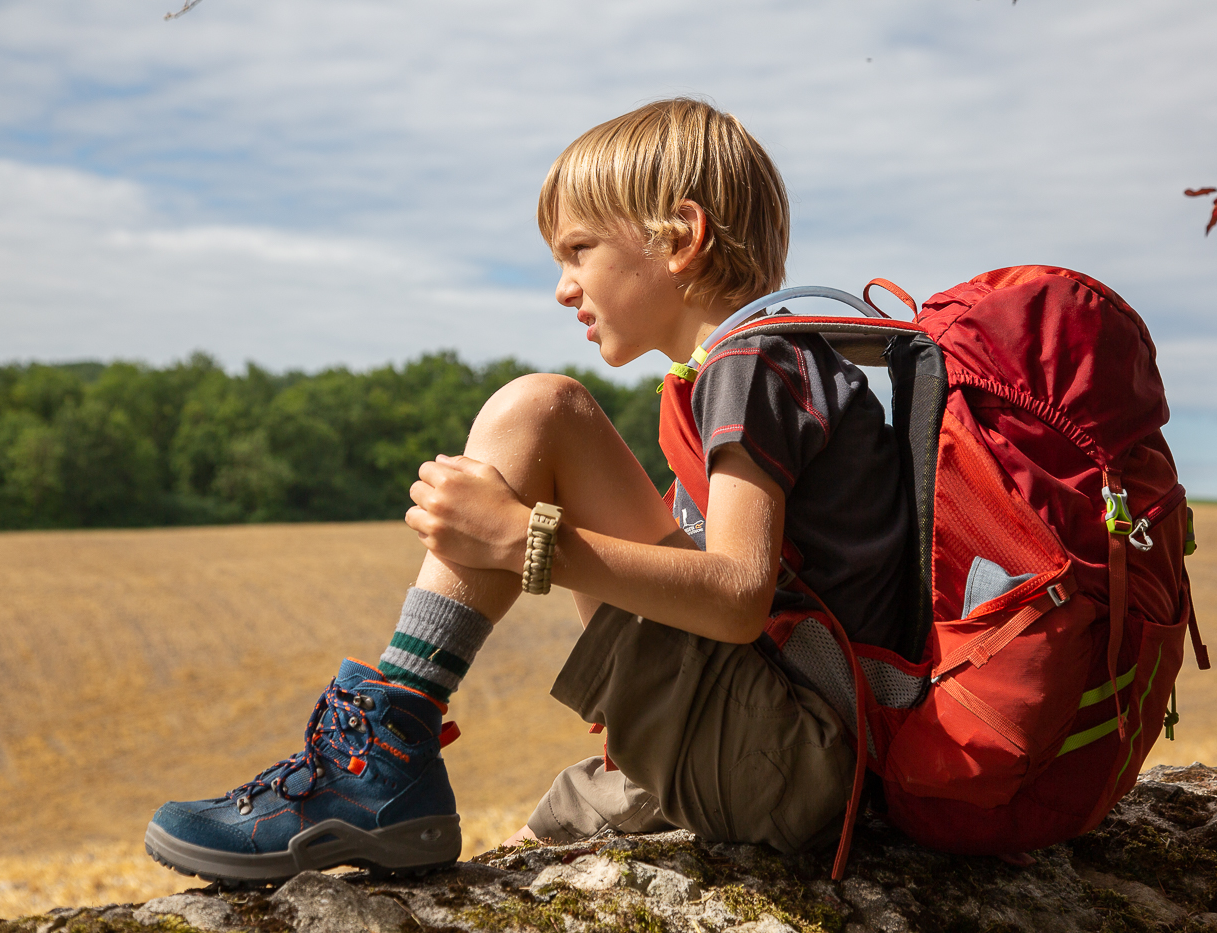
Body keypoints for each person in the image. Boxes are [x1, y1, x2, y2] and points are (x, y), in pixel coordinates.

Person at [143, 97, 909, 884]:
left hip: (800, 762)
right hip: (800, 750)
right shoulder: (768, 364)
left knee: (541, 410)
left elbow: (739, 596)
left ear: (681, 237)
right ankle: (390, 744)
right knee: (548, 417)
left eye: (579, 250)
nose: (563, 287)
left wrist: (519, 539)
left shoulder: (752, 367)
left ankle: (382, 744)